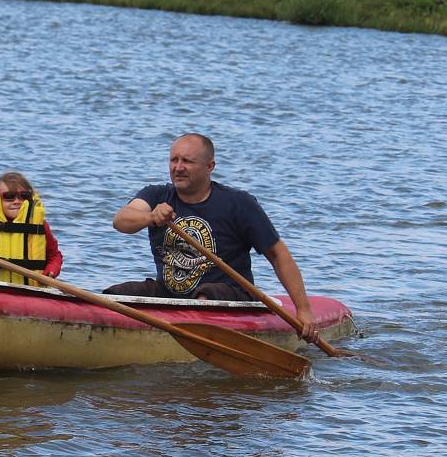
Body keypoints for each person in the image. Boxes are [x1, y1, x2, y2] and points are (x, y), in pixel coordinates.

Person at [105, 133, 318, 342]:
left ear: (209, 167)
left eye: (187, 161)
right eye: (174, 160)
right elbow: (121, 221)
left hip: (227, 297)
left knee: (205, 295)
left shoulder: (238, 204)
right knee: (118, 293)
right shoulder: (156, 195)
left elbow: (278, 254)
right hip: (171, 296)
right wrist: (150, 217)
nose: (178, 168)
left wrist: (303, 310)